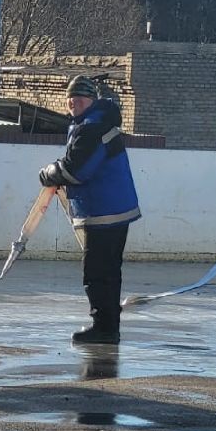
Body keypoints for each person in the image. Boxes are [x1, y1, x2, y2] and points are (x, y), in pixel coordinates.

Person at [38, 75, 141, 345]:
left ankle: (104, 328)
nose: (74, 103)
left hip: (103, 211)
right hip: (114, 208)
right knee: (108, 271)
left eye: (80, 98)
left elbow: (77, 171)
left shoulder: (92, 127)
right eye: (71, 99)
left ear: (91, 100)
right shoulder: (96, 122)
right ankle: (109, 326)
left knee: (97, 273)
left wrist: (50, 173)